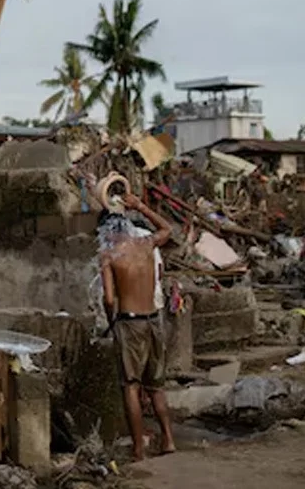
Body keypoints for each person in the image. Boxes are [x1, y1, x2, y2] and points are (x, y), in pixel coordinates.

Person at [96, 183, 176, 461]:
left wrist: (111, 322)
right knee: (156, 385)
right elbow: (168, 230)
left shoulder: (108, 255)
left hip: (129, 324)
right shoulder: (145, 244)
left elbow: (108, 299)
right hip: (154, 320)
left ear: (105, 231)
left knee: (131, 385)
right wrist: (141, 206)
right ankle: (168, 439)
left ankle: (139, 449)